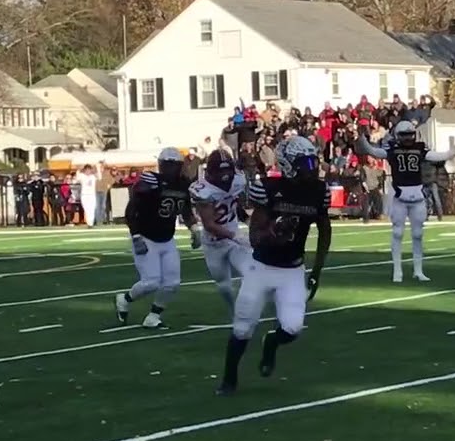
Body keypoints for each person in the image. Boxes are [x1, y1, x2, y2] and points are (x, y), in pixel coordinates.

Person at [217, 136, 332, 396]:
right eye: (306, 163)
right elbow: (255, 237)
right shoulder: (268, 188)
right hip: (261, 268)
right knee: (242, 328)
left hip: (292, 270)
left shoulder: (318, 191)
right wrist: (274, 231)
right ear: (289, 164)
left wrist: (317, 271)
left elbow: (325, 230)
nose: (313, 168)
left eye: (313, 161)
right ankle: (229, 379)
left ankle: (271, 343)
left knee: (292, 328)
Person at [357, 120, 455, 282]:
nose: (409, 138)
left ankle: (418, 270)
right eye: (405, 135)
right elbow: (372, 151)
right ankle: (397, 271)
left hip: (417, 196)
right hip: (400, 196)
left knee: (418, 234)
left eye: (410, 134)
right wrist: (361, 137)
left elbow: (445, 155)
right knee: (397, 233)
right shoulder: (392, 149)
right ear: (398, 136)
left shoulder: (420, 148)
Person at [114, 147, 201, 329]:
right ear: (161, 165)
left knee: (172, 283)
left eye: (173, 165)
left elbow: (185, 209)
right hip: (146, 237)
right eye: (167, 165)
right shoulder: (151, 181)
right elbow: (131, 210)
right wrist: (135, 235)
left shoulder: (183, 184)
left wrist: (194, 229)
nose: (170, 169)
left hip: (167, 239)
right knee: (151, 282)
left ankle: (153, 316)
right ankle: (124, 299)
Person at [190, 149, 252, 312]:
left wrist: (247, 221)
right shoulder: (203, 190)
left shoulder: (237, 181)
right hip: (214, 244)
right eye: (221, 172)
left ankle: (245, 309)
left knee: (250, 272)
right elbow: (209, 225)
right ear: (211, 172)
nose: (225, 176)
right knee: (224, 285)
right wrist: (236, 235)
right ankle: (234, 313)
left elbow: (235, 205)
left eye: (227, 171)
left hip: (233, 242)